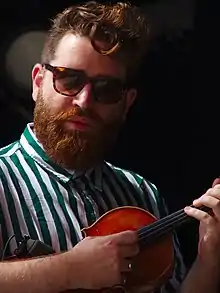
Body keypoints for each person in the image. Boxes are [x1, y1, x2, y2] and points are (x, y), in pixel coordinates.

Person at [0, 1, 219, 293]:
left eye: (106, 89)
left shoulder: (142, 193)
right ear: (38, 82)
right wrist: (70, 270)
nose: (84, 101)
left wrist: (209, 260)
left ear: (126, 102)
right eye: (68, 79)